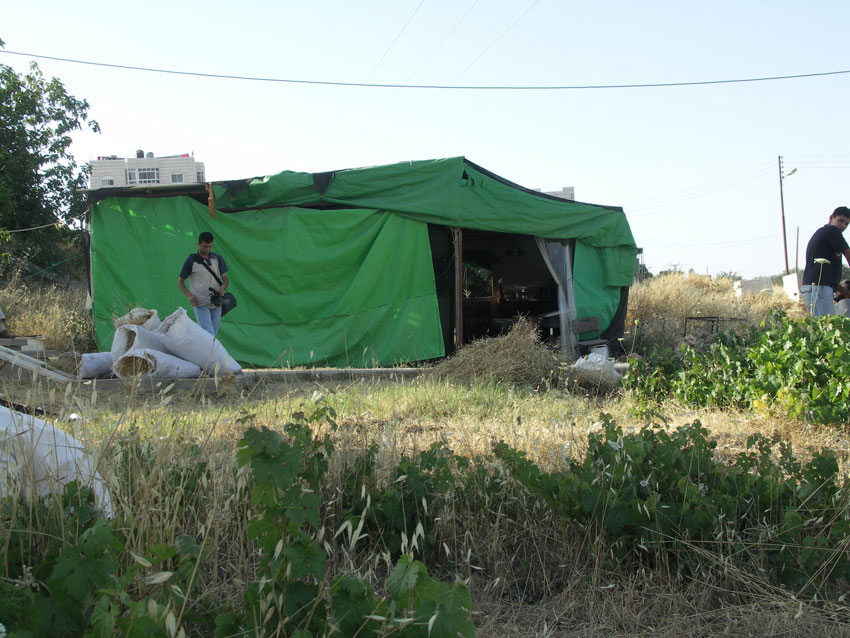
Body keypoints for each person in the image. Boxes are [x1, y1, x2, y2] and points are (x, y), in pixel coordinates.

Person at [177, 231, 230, 336]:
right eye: (205, 246)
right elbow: (180, 282)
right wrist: (189, 295)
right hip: (200, 301)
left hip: (217, 301)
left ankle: (209, 352)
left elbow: (225, 280)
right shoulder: (191, 260)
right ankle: (210, 352)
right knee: (207, 332)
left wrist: (223, 287)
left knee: (213, 332)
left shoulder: (217, 258)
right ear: (198, 244)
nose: (208, 249)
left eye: (210, 246)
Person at [801, 207, 850, 316]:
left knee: (824, 327)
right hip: (819, 289)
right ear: (831, 217)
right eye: (840, 220)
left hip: (817, 288)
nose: (843, 225)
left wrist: (846, 293)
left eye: (847, 224)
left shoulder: (826, 235)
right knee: (826, 327)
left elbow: (829, 279)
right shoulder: (832, 231)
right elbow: (848, 254)